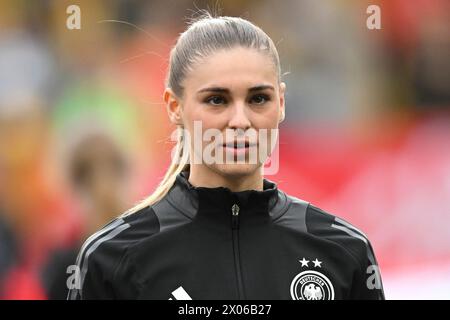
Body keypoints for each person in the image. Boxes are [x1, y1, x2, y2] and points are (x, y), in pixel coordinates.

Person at [68, 12, 385, 300]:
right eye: (217, 100)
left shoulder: (343, 251)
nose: (240, 121)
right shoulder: (111, 258)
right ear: (174, 107)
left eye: (258, 98)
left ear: (282, 103)